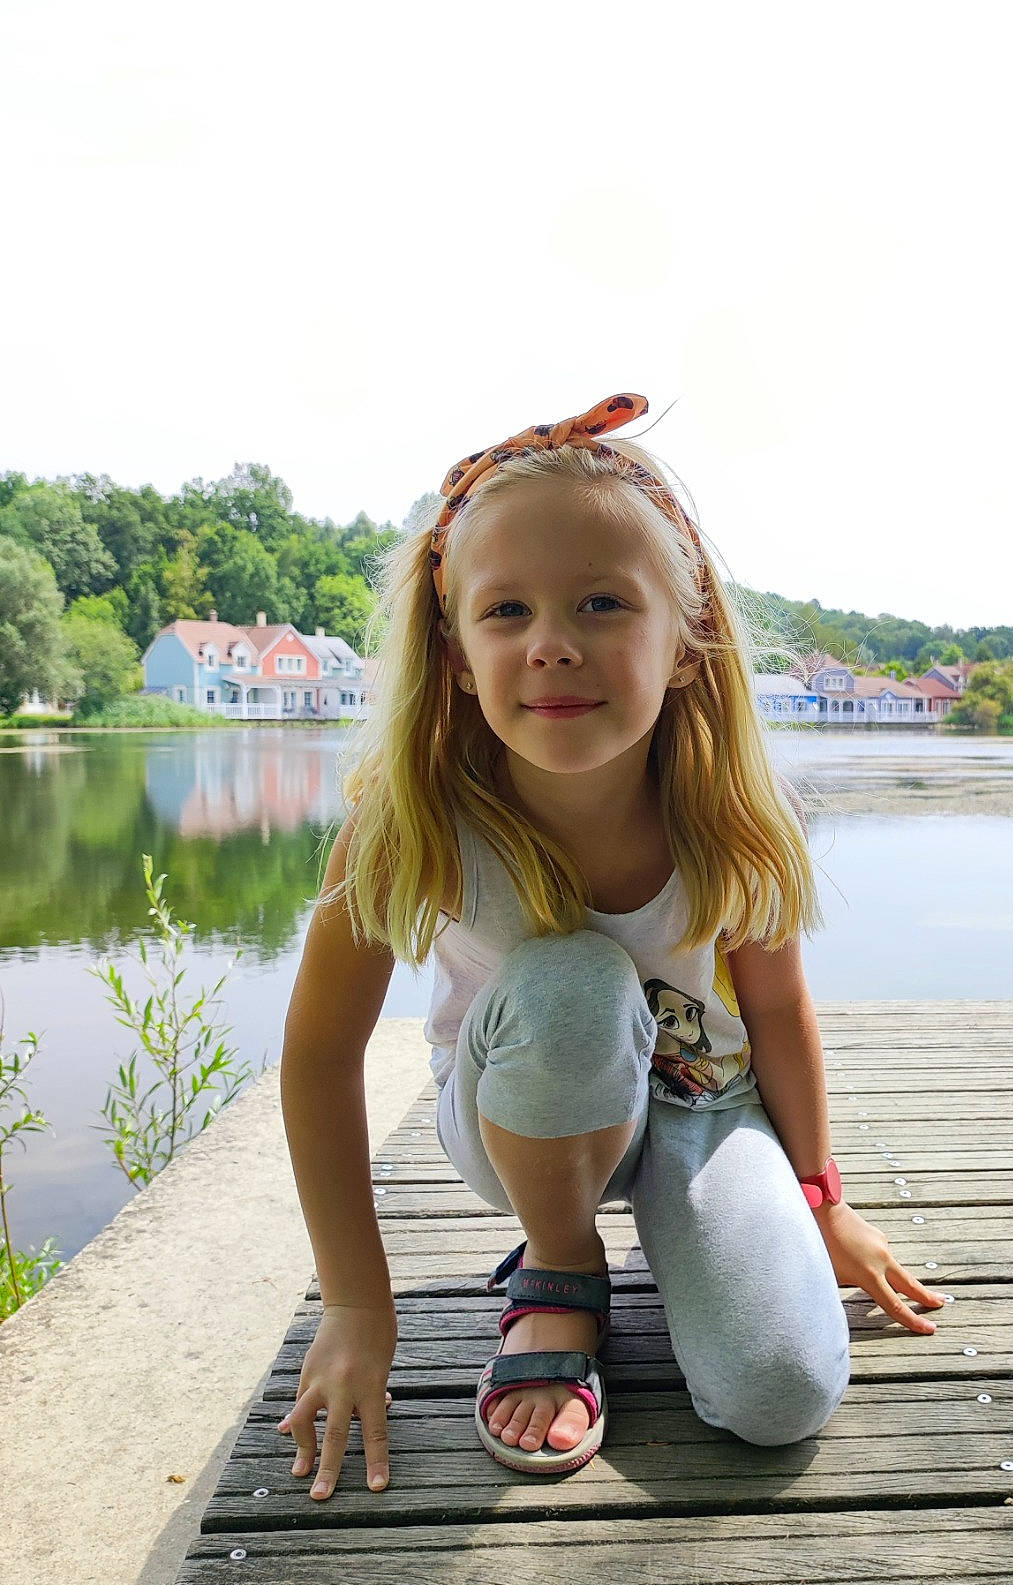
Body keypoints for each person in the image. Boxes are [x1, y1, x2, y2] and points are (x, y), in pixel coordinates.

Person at [277, 391, 944, 1497]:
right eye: (504, 612)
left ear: (683, 643)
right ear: (451, 653)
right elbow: (315, 1053)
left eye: (599, 602)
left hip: (695, 1098)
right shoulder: (408, 818)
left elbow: (773, 1010)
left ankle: (684, 1240)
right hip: (515, 1111)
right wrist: (355, 1301)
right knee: (576, 981)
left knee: (779, 1393)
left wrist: (823, 1199)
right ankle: (560, 1259)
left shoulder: (728, 812)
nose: (549, 644)